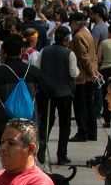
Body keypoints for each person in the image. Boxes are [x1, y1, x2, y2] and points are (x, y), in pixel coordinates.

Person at [0, 34, 51, 148]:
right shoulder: (33, 71)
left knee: (7, 158)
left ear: (3, 51)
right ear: (21, 51)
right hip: (30, 124)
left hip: (5, 125)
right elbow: (50, 91)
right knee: (27, 160)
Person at [34, 26, 80, 165]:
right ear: (67, 39)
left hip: (47, 93)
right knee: (65, 125)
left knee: (46, 122)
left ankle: (42, 146)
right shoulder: (69, 54)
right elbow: (74, 73)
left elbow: (37, 68)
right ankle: (62, 155)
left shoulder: (44, 51)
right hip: (64, 93)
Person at [68, 11, 100, 142]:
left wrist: (92, 73)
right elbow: (93, 56)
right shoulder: (87, 33)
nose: (70, 26)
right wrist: (94, 71)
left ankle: (83, 132)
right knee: (89, 105)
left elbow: (84, 57)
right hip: (89, 74)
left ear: (75, 23)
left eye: (71, 23)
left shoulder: (78, 36)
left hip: (82, 76)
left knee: (80, 106)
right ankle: (92, 132)